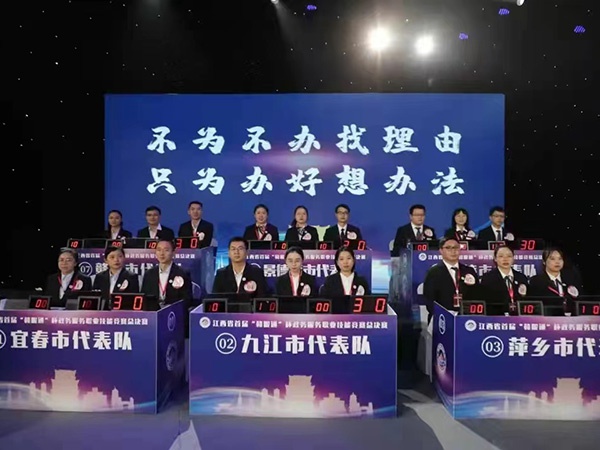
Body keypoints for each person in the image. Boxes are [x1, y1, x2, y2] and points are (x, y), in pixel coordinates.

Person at [423, 237, 479, 321]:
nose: (453, 251)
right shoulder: (433, 272)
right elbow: (429, 299)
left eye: (456, 247)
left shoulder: (469, 271)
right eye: (448, 248)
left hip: (467, 318)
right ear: (441, 251)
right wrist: (444, 315)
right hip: (442, 319)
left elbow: (477, 295)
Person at [141, 239, 192, 309]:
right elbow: (144, 298)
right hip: (153, 312)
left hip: (174, 312)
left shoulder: (182, 273)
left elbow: (187, 300)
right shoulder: (149, 274)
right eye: (159, 250)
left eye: (166, 250)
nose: (162, 253)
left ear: (173, 252)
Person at [529, 248, 582, 313]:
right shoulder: (537, 281)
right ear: (544, 262)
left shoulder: (571, 278)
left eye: (560, 259)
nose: (557, 262)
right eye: (552, 259)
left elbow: (580, 299)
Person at [480, 246, 528, 315]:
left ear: (513, 258)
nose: (505, 259)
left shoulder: (521, 277)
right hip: (497, 317)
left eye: (509, 256)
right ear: (495, 259)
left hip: (518, 317)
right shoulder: (488, 278)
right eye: (501, 256)